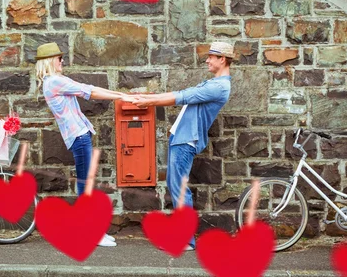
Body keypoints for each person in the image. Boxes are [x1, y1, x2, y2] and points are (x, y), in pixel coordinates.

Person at [132, 42, 233, 251]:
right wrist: (149, 99)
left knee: (179, 190)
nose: (207, 60)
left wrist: (149, 102)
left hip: (187, 140)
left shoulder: (219, 86)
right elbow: (182, 93)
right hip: (181, 138)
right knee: (176, 187)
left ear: (222, 59)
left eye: (211, 57)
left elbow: (181, 96)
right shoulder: (213, 83)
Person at [35, 42, 133, 247]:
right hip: (79, 138)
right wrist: (121, 95)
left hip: (80, 137)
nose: (62, 60)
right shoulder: (53, 81)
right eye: (58, 58)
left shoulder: (56, 81)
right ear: (49, 61)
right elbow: (89, 91)